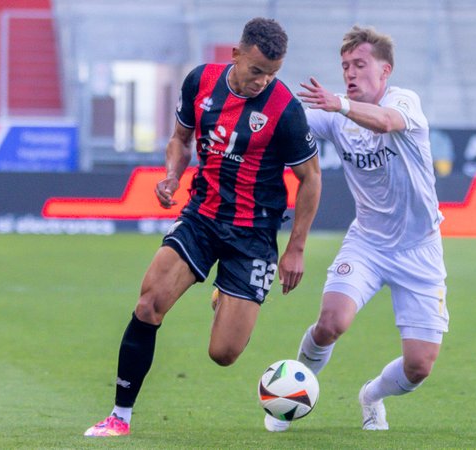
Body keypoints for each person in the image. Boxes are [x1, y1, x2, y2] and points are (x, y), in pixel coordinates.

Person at [84, 17, 321, 437]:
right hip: (202, 216)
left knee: (224, 353)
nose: (263, 81)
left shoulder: (285, 110)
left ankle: (225, 295)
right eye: (256, 71)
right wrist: (173, 176)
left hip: (253, 236)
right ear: (236, 55)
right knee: (149, 303)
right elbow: (180, 138)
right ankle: (119, 417)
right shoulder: (201, 82)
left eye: (272, 74)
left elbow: (310, 177)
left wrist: (296, 248)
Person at [264, 25, 449, 432]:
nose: (350, 72)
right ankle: (287, 399)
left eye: (360, 64)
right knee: (331, 322)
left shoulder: (403, 102)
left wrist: (340, 104)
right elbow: (286, 124)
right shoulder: (337, 115)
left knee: (419, 365)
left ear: (385, 71)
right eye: (345, 65)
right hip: (367, 243)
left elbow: (384, 122)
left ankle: (372, 396)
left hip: (420, 249)